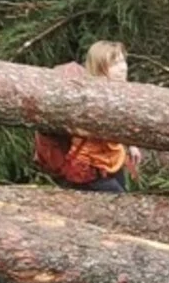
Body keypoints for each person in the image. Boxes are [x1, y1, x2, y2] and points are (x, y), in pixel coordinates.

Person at [33, 41, 141, 193]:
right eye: (114, 64)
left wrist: (131, 144)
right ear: (99, 67)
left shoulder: (119, 93)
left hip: (113, 164)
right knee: (120, 205)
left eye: (122, 61)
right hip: (91, 173)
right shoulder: (89, 98)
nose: (122, 68)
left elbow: (123, 123)